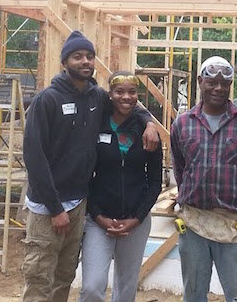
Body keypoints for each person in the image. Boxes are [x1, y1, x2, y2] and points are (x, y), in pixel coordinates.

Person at [21, 31, 159, 302]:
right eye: (77, 56)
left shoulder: (96, 97)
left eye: (89, 56)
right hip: (48, 207)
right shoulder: (47, 100)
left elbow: (128, 102)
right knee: (39, 276)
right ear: (65, 62)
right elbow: (34, 158)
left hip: (78, 205)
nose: (85, 61)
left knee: (64, 276)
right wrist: (55, 207)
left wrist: (150, 122)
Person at [170, 56, 237, 302]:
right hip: (194, 222)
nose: (218, 88)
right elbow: (181, 169)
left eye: (225, 83)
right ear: (200, 82)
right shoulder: (183, 124)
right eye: (211, 82)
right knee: (193, 294)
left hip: (233, 224)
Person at [79, 71, 163, 302]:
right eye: (119, 91)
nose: (126, 96)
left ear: (138, 95)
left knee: (126, 289)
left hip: (136, 222)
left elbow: (155, 182)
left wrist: (137, 218)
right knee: (92, 287)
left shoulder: (149, 132)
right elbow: (84, 175)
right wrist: (97, 215)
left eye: (132, 91)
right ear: (110, 94)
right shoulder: (98, 124)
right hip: (99, 221)